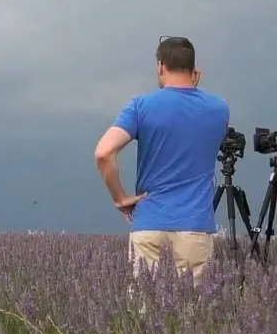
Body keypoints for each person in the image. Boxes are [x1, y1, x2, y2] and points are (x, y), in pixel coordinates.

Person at [94, 36, 230, 286]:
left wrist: (120, 198)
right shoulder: (219, 109)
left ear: (160, 66)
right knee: (193, 312)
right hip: (195, 224)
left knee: (145, 314)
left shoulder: (140, 106)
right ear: (194, 70)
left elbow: (103, 153)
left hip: (149, 222)